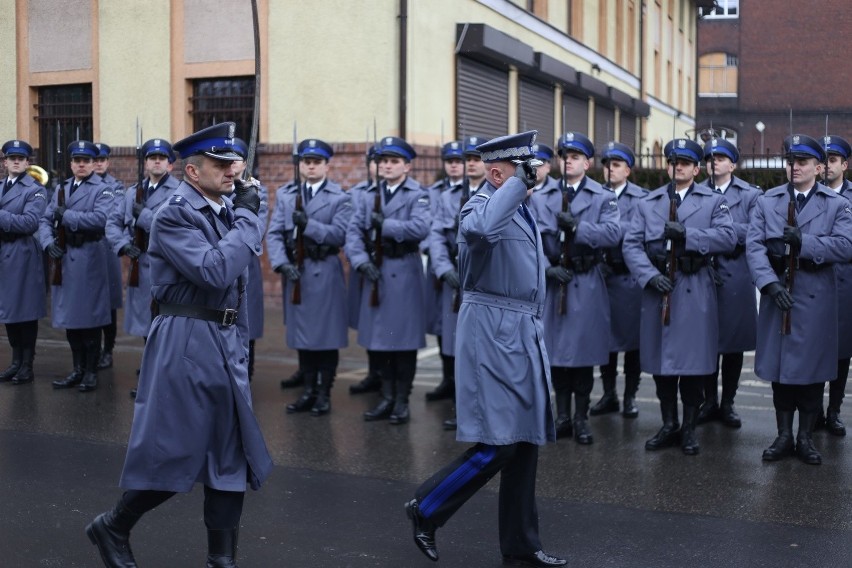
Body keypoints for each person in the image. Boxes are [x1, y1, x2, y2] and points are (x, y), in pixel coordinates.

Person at [86, 122, 273, 566]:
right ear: (192, 171)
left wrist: (242, 350)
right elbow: (214, 271)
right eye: (221, 164)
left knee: (230, 455)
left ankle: (221, 561)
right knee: (177, 449)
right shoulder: (174, 213)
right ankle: (113, 525)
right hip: (186, 338)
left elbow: (238, 291)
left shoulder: (225, 208)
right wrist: (248, 217)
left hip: (224, 340)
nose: (232, 171)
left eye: (235, 164)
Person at [405, 131, 566, 567]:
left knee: (525, 441)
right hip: (493, 330)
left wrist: (520, 189)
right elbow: (480, 231)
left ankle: (521, 547)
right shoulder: (480, 205)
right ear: (497, 173)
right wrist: (516, 186)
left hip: (522, 330)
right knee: (499, 442)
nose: (532, 176)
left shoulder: (520, 206)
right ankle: (428, 507)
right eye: (522, 170)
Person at [622, 138, 736, 456]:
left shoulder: (713, 202)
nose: (678, 167)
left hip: (694, 286)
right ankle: (668, 423)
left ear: (697, 169)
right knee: (661, 364)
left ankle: (688, 427)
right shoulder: (648, 203)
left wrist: (689, 235)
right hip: (660, 287)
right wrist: (649, 275)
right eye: (673, 162)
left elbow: (728, 238)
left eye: (685, 163)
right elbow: (631, 245)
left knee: (694, 364)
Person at [748, 134, 852, 465]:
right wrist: (768, 284)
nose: (794, 167)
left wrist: (806, 242)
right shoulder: (768, 201)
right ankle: (783, 435)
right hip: (778, 296)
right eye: (791, 161)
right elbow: (754, 247)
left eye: (802, 162)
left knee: (811, 372)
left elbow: (846, 246)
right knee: (781, 372)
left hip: (815, 298)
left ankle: (805, 437)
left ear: (820, 168)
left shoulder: (837, 205)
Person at [530, 132, 620, 444]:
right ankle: (562, 415)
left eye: (575, 155)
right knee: (555, 354)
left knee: (582, 354)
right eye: (564, 155)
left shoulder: (603, 196)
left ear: (588, 162)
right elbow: (533, 241)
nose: (568, 160)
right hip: (557, 279)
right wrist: (546, 268)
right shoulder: (543, 197)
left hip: (586, 281)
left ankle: (581, 417)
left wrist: (579, 228)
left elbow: (612, 234)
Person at [344, 136, 429, 425]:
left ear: (406, 166)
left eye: (394, 161)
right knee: (378, 342)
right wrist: (361, 262)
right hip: (376, 272)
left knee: (403, 344)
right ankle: (386, 396)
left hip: (404, 271)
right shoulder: (368, 196)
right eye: (383, 161)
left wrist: (387, 225)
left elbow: (421, 228)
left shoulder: (418, 194)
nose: (388, 166)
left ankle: (402, 401)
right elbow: (353, 232)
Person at [267, 138, 351, 416]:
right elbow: (275, 233)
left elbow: (340, 234)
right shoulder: (286, 195)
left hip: (324, 269)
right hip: (297, 271)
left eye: (316, 162)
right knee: (303, 336)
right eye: (306, 162)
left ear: (326, 166)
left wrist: (309, 225)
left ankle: (323, 392)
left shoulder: (339, 197)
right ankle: (307, 390)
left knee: (325, 337)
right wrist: (281, 263)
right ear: (300, 165)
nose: (311, 167)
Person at [105, 138, 179, 398]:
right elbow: (112, 223)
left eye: (162, 157)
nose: (156, 161)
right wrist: (124, 246)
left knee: (164, 326)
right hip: (139, 263)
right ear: (145, 163)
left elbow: (171, 226)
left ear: (170, 164)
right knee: (147, 328)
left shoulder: (179, 192)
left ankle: (161, 380)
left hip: (165, 267)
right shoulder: (132, 192)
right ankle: (152, 377)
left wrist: (144, 215)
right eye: (151, 157)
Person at [40, 140, 114, 393]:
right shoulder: (61, 189)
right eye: (76, 161)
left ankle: (91, 372)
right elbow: (44, 220)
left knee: (90, 319)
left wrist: (67, 216)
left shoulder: (102, 189)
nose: (81, 165)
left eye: (86, 161)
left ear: (94, 164)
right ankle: (77, 369)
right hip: (64, 258)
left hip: (89, 258)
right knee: (71, 321)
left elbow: (101, 219)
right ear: (71, 164)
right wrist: (48, 243)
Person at [697, 138, 760, 428]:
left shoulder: (749, 195)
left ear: (732, 164)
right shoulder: (698, 192)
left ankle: (728, 402)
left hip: (736, 274)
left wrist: (723, 232)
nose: (715, 162)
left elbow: (758, 229)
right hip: (704, 273)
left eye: (721, 158)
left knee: (733, 345)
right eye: (711, 158)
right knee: (706, 341)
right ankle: (708, 401)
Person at [429, 135, 486, 431]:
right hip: (454, 277)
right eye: (467, 160)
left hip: (482, 281)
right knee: (454, 342)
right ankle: (460, 403)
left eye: (476, 159)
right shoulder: (447, 196)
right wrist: (443, 268)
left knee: (480, 346)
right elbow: (437, 235)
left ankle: (479, 406)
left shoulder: (495, 192)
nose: (471, 164)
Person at [591, 142, 648, 419]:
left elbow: (644, 232)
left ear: (627, 169)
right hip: (603, 275)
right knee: (606, 340)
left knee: (632, 342)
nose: (609, 170)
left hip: (629, 277)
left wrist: (613, 229)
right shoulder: (595, 195)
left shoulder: (640, 198)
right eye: (606, 165)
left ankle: (630, 397)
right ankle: (609, 393)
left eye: (615, 165)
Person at [0, 140, 47, 385]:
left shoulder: (36, 189)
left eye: (21, 158)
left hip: (22, 254)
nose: (16, 161)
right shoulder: (0, 187)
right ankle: (16, 361)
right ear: (5, 161)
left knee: (25, 312)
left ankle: (27, 364)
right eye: (11, 157)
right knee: (8, 311)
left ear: (28, 163)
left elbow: (30, 223)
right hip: (3, 254)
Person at [424, 140, 466, 403]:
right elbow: (428, 230)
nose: (453, 166)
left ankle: (460, 385)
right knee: (442, 327)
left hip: (464, 271)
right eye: (449, 162)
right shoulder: (435, 192)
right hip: (441, 269)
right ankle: (447, 378)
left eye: (458, 161)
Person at [818, 135, 852, 436]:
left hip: (845, 281)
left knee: (842, 349)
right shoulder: (805, 194)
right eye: (824, 160)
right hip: (813, 281)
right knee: (814, 346)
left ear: (844, 164)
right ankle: (813, 410)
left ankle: (834, 410)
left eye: (833, 160)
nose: (827, 166)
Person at [346, 145, 385, 395]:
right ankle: (373, 372)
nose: (379, 167)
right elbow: (351, 228)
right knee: (368, 321)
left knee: (385, 321)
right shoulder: (357, 192)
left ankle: (384, 375)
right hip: (363, 262)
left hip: (385, 261)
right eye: (374, 162)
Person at [231, 138, 269, 380]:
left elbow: (257, 229)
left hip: (245, 265)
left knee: (247, 323)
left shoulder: (256, 190)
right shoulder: (213, 188)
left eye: (235, 159)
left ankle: (247, 374)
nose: (230, 165)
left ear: (245, 163)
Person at [93, 143, 126, 370]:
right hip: (89, 248)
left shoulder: (116, 187)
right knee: (90, 301)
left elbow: (112, 216)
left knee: (110, 302)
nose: (97, 164)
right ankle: (92, 349)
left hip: (108, 248)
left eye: (101, 160)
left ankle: (108, 349)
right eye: (94, 160)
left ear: (107, 162)